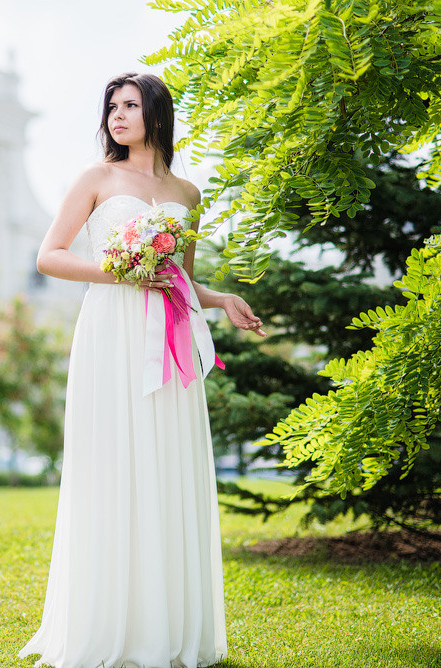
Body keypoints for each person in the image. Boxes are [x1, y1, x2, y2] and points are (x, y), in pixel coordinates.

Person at [18, 72, 265, 668]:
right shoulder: (96, 178)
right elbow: (48, 256)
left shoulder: (188, 193)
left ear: (157, 113)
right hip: (112, 332)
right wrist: (119, 274)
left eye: (130, 104)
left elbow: (177, 276)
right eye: (111, 106)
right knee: (112, 462)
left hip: (170, 336)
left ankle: (164, 626)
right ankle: (107, 626)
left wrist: (222, 299)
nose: (118, 115)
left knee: (163, 464)